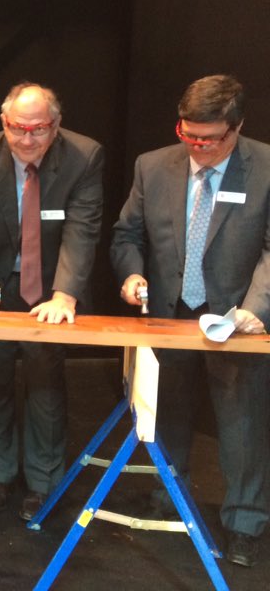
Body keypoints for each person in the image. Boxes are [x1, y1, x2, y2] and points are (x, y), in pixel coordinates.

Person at [110, 74, 270, 568]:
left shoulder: (265, 167)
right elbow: (126, 234)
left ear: (236, 127)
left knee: (242, 422)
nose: (197, 146)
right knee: (168, 411)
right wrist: (131, 275)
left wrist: (256, 307)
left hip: (236, 317)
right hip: (169, 312)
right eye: (188, 135)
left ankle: (245, 522)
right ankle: (168, 499)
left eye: (209, 139)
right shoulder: (153, 165)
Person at [0, 82, 103, 521]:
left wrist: (65, 295)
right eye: (17, 129)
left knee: (45, 384)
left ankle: (43, 483)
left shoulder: (84, 157)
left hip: (49, 288)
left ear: (56, 125)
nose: (27, 139)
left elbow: (82, 230)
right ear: (3, 122)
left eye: (39, 129)